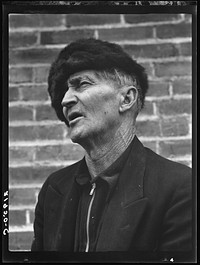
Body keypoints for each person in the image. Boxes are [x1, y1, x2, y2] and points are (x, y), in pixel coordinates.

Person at [31, 38, 192, 253]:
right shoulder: (53, 189)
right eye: (64, 92)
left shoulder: (181, 187)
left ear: (126, 99)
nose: (65, 100)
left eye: (82, 84)